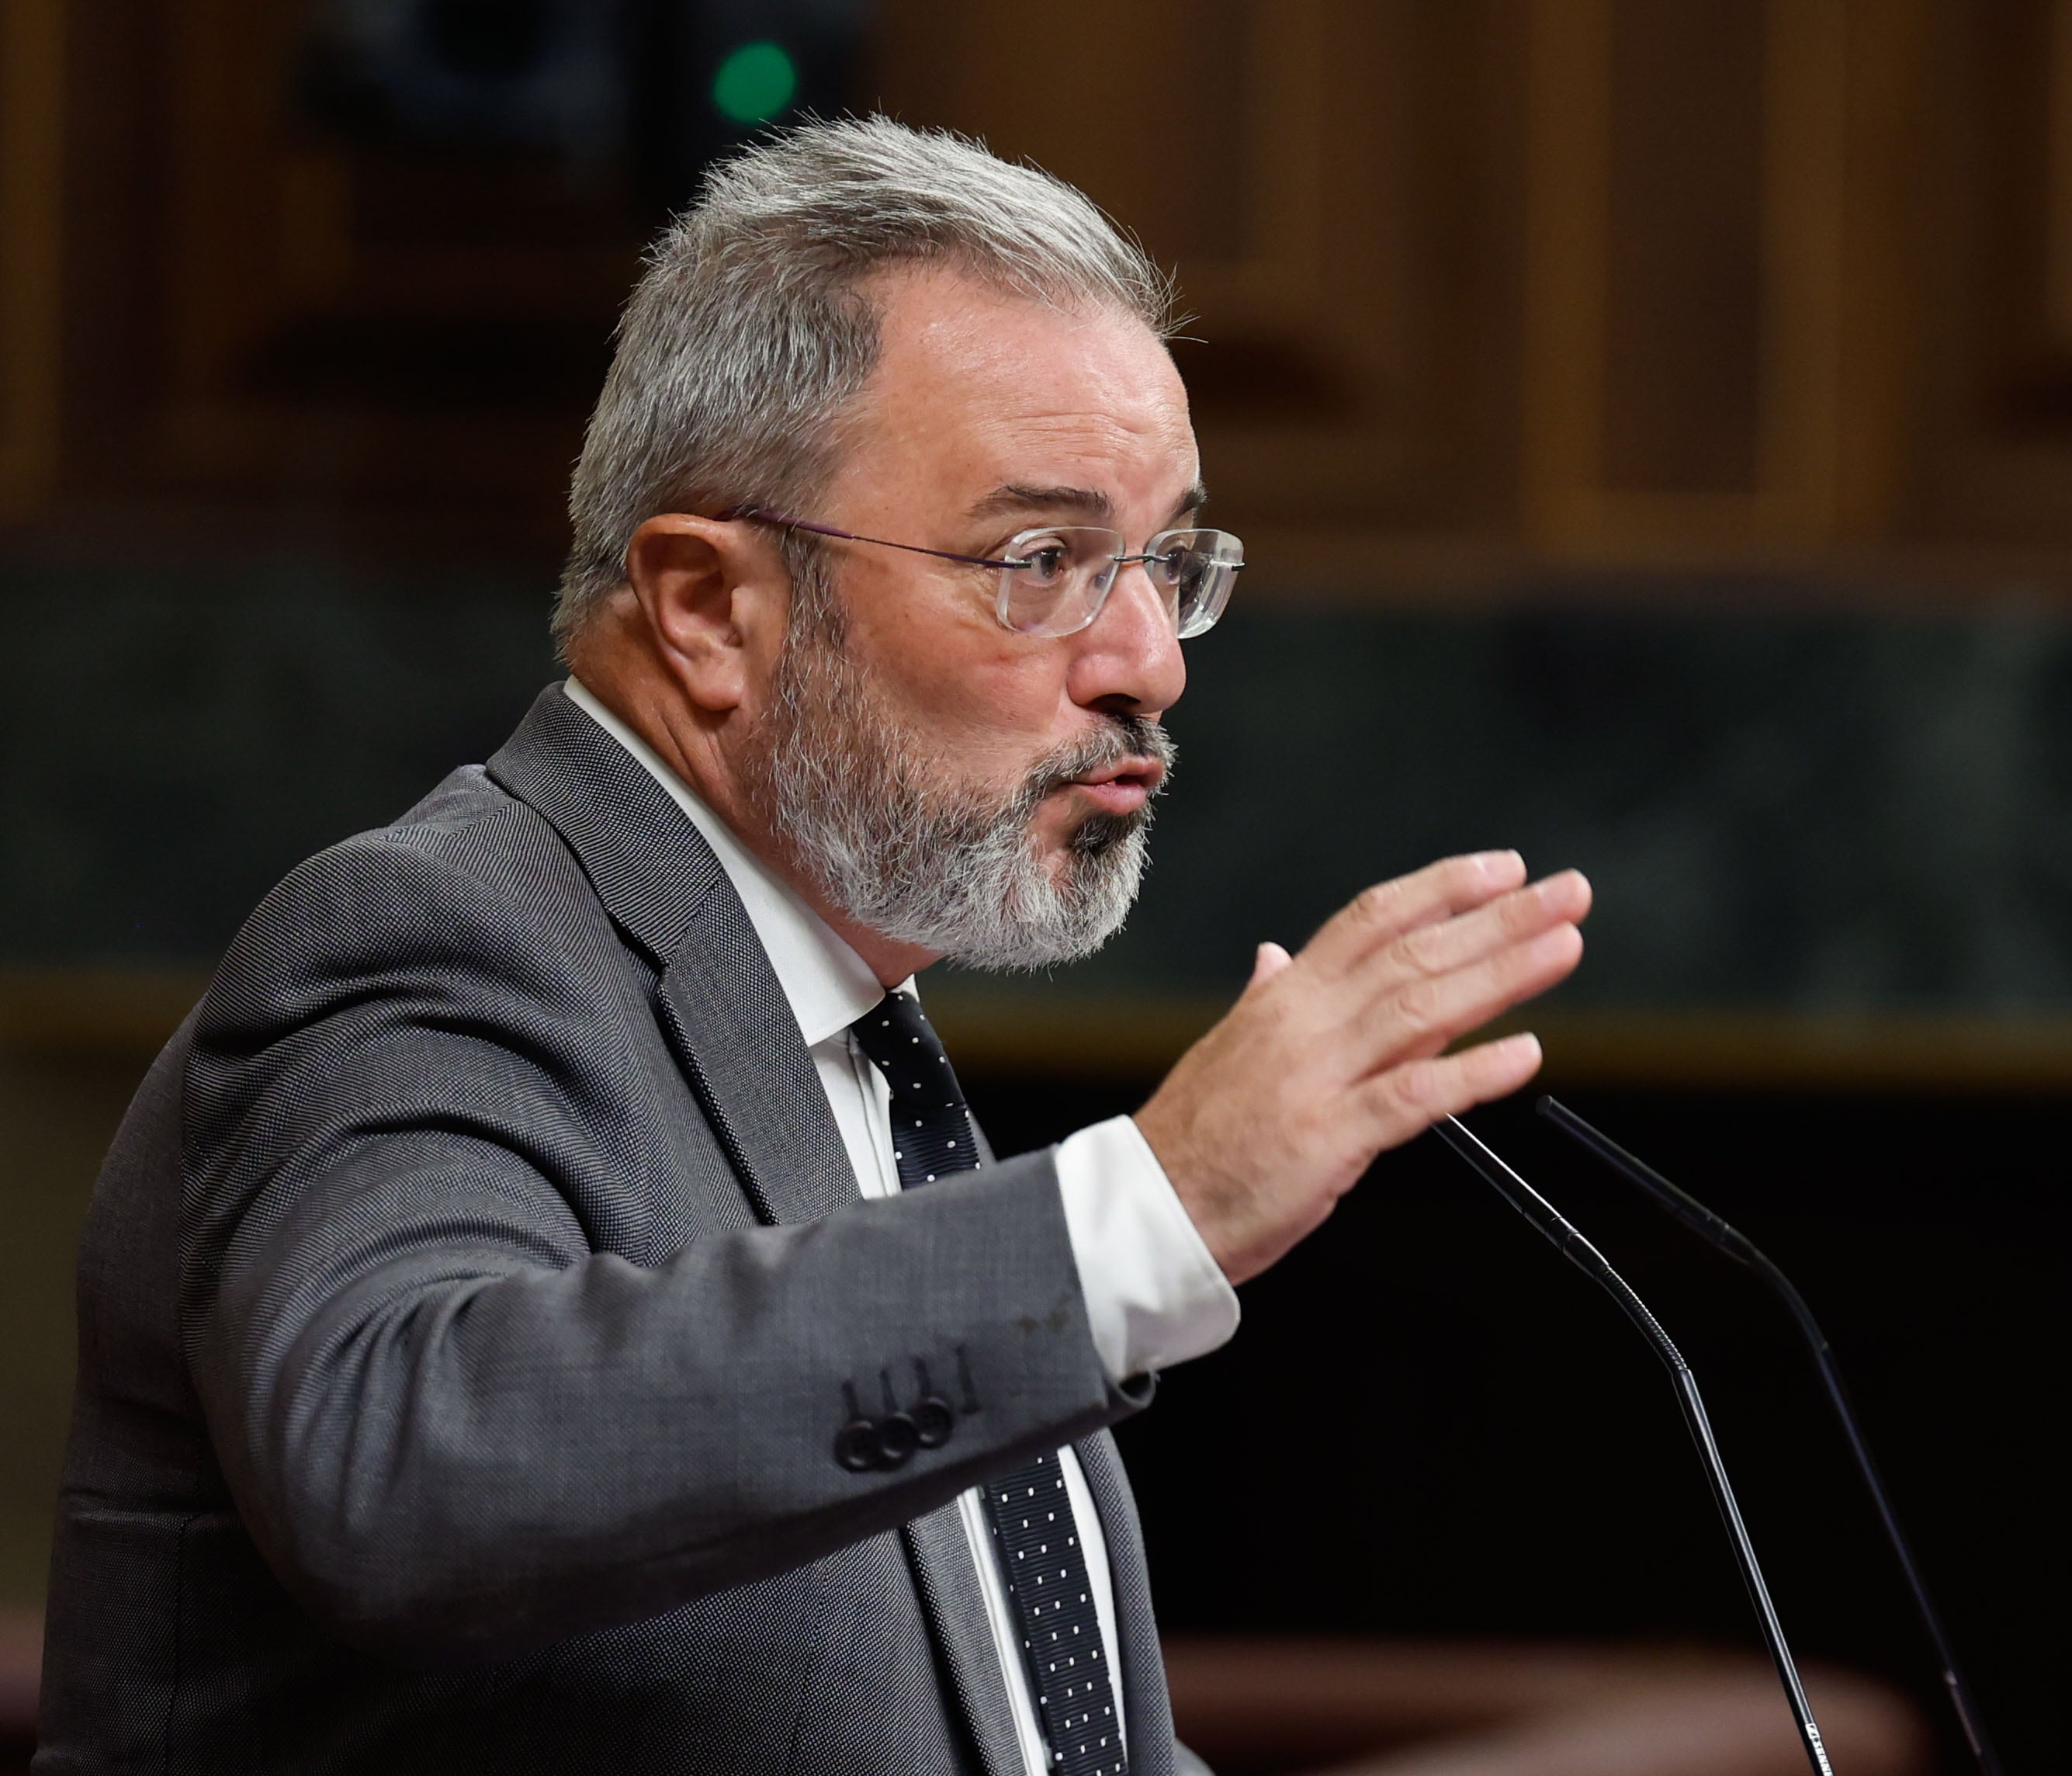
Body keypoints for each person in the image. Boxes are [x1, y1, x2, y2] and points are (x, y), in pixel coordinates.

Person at [35, 118, 1590, 1774]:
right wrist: (1157, 1201)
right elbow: (402, 1461)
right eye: (1043, 561)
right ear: (710, 606)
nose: (1151, 660)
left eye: (1163, 563)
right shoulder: (435, 942)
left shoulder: (853, 1046)